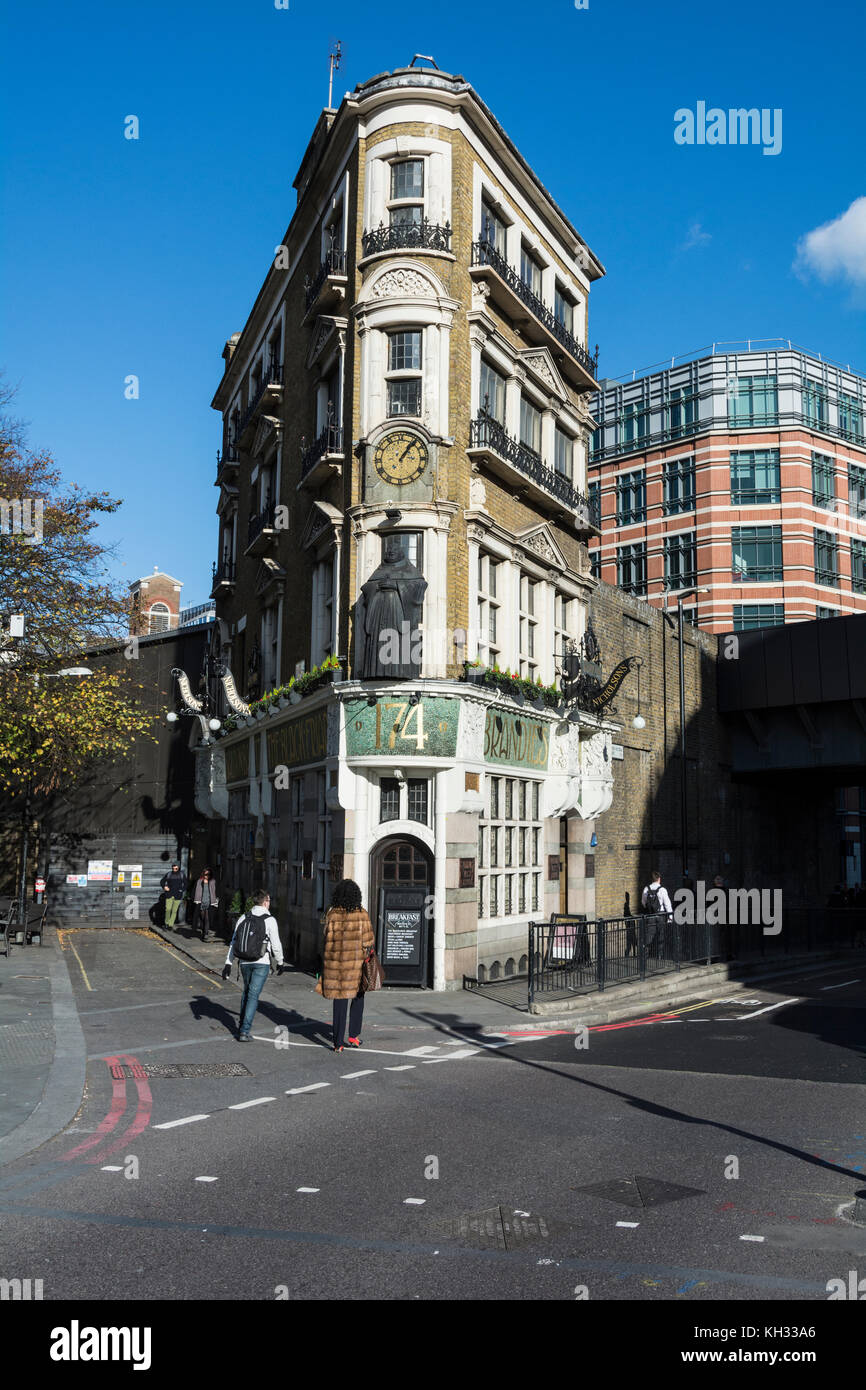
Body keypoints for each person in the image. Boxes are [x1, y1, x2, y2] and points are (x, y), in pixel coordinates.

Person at [221, 889, 283, 1041]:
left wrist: (228, 963)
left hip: (244, 962)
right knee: (253, 996)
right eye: (269, 900)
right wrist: (280, 961)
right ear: (265, 901)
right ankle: (244, 1031)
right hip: (261, 962)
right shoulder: (270, 920)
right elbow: (276, 944)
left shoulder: (243, 917)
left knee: (247, 992)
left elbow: (234, 941)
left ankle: (242, 1025)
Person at [321, 879, 375, 1053]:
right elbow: (368, 941)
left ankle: (338, 1043)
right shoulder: (362, 914)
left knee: (339, 1002)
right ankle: (353, 1035)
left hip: (336, 966)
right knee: (358, 998)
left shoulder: (332, 914)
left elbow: (326, 938)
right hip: (356, 965)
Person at [641, 870, 673, 958]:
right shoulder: (662, 889)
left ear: (652, 879)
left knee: (649, 935)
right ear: (659, 879)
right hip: (661, 914)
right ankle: (659, 955)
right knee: (661, 934)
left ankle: (645, 954)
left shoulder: (646, 889)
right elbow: (667, 904)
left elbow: (643, 902)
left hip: (651, 914)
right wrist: (670, 916)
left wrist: (649, 908)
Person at [193, 867, 218, 941]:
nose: (207, 876)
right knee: (203, 919)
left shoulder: (213, 881)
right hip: (201, 902)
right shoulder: (199, 881)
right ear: (203, 874)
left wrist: (216, 900)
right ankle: (203, 931)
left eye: (208, 874)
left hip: (209, 902)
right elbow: (195, 891)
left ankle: (205, 934)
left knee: (207, 918)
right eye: (205, 874)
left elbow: (216, 891)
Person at [160, 863, 187, 928]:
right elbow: (162, 881)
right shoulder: (169, 874)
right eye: (173, 867)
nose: (174, 868)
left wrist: (182, 890)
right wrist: (164, 887)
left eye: (176, 867)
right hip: (169, 894)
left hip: (177, 895)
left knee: (174, 911)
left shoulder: (182, 874)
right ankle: (166, 923)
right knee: (168, 909)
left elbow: (186, 884)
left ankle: (170, 924)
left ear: (178, 867)